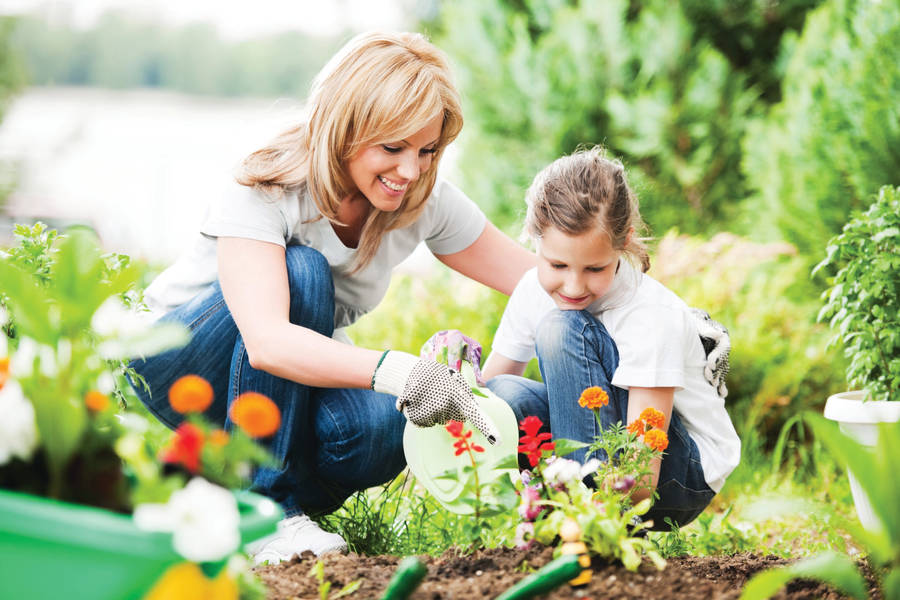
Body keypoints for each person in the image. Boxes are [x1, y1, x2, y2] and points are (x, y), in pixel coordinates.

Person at [129, 31, 535, 564]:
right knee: (303, 272)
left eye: (427, 149)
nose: (410, 171)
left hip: (275, 390)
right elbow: (269, 343)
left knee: (391, 423)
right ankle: (260, 511)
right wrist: (407, 372)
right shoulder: (267, 183)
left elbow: (539, 281)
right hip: (177, 363)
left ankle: (238, 500)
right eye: (392, 148)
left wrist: (651, 308)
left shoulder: (419, 195)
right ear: (346, 129)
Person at [482, 147, 741, 529]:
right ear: (533, 240)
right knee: (504, 396)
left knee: (560, 327)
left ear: (624, 243)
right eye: (557, 264)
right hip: (604, 448)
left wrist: (596, 507)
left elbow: (643, 478)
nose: (573, 285)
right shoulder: (532, 289)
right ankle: (563, 510)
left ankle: (587, 522)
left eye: (594, 268)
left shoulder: (651, 316)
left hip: (677, 474)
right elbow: (486, 397)